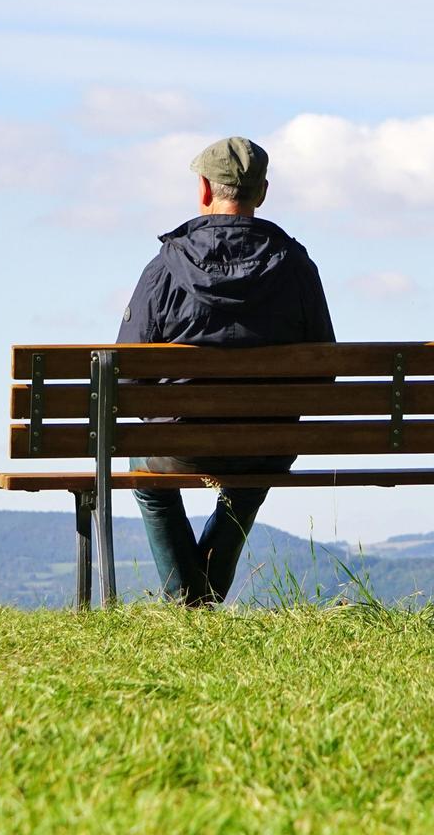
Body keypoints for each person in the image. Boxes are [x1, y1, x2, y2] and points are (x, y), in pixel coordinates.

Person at [117, 136, 335, 605]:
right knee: (253, 473)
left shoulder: (166, 268)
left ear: (203, 189)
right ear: (262, 192)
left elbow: (128, 373)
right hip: (265, 445)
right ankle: (201, 599)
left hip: (179, 445)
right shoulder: (296, 267)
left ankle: (190, 601)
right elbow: (324, 373)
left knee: (144, 473)